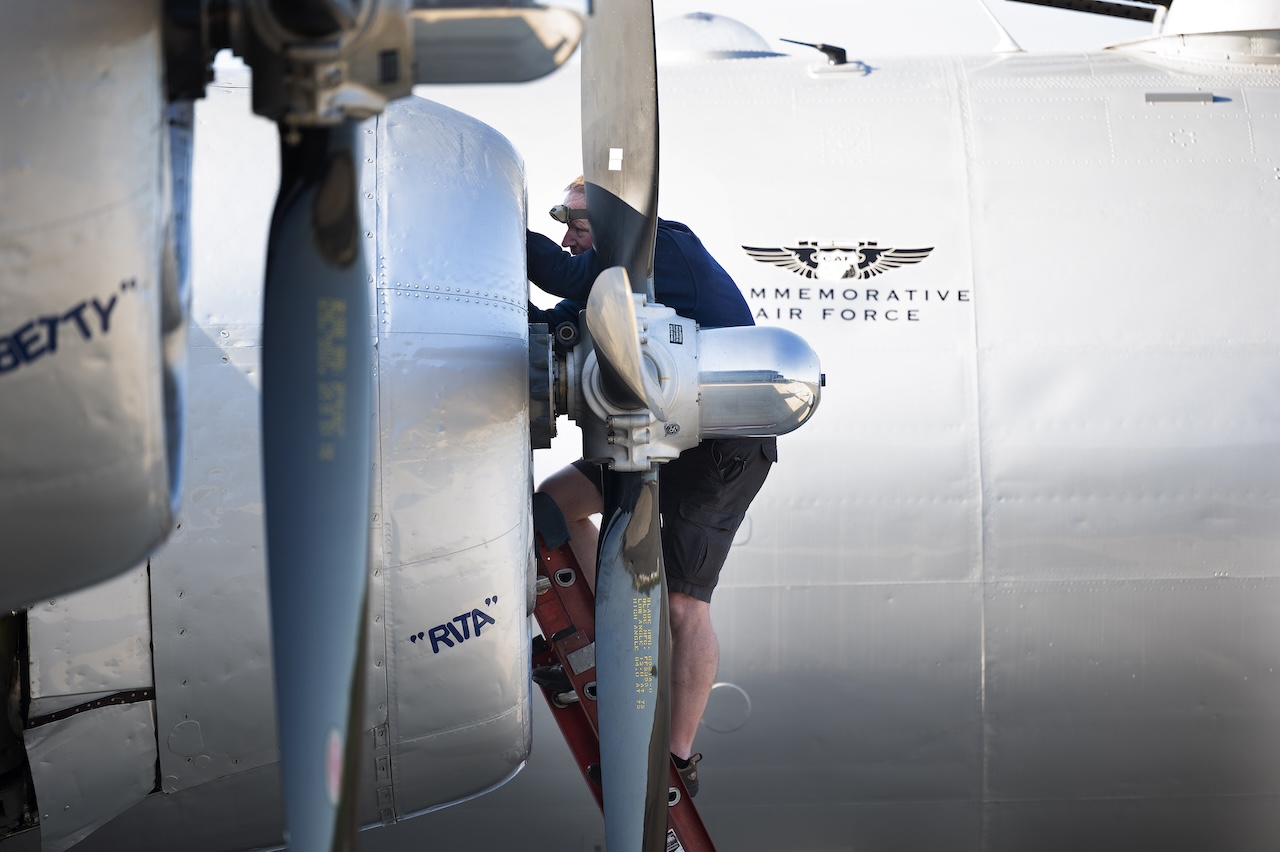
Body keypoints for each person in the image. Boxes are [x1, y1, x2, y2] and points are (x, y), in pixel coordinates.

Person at [528, 177, 777, 797]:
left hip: (723, 443)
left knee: (684, 605)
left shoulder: (660, 249)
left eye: (578, 226)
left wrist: (486, 239)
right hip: (654, 441)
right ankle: (595, 641)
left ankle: (678, 756)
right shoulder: (608, 283)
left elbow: (558, 275)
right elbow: (546, 326)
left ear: (618, 224)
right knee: (550, 508)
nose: (568, 239)